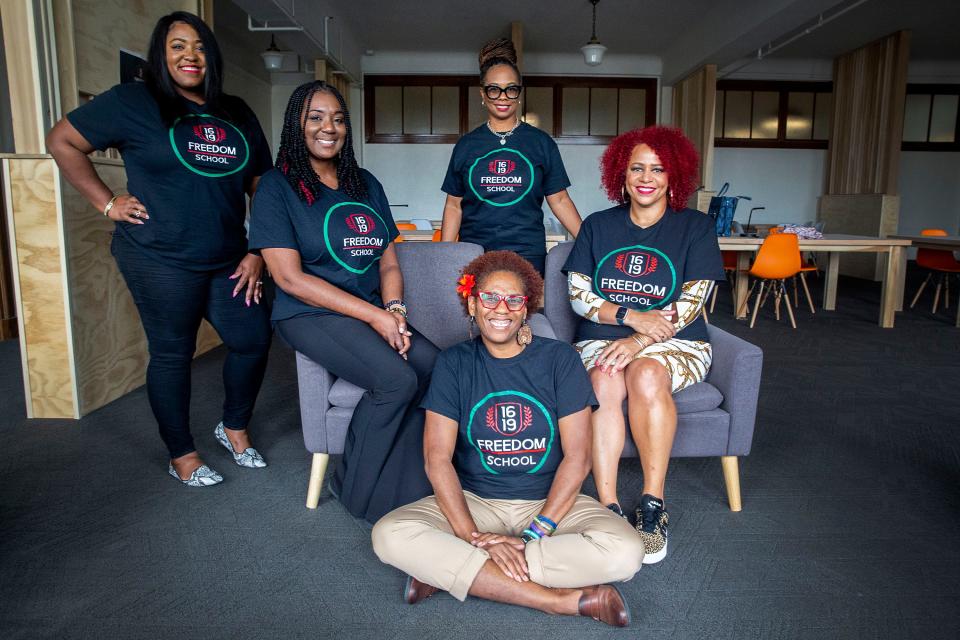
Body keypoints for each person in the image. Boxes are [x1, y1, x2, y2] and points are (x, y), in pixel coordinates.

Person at [46, 12, 273, 487]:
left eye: (199, 46)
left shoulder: (236, 111)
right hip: (158, 256)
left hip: (229, 257)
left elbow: (261, 185)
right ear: (161, 55)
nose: (190, 55)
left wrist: (257, 250)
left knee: (251, 339)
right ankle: (182, 455)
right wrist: (106, 202)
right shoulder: (134, 102)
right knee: (173, 354)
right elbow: (63, 140)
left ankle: (233, 426)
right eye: (177, 46)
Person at [372, 251, 643, 628]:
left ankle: (447, 571)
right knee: (388, 535)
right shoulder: (453, 364)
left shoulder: (560, 360)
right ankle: (558, 602)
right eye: (490, 298)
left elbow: (578, 457)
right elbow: (437, 458)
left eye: (514, 299)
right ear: (472, 303)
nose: (502, 308)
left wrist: (536, 531)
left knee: (627, 553)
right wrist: (473, 535)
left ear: (526, 308)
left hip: (550, 505)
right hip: (476, 502)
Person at [249, 81, 438, 524]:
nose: (328, 127)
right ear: (297, 124)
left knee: (437, 367)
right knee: (395, 380)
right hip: (309, 313)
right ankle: (353, 486)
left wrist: (394, 311)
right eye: (315, 117)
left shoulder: (364, 183)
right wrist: (376, 317)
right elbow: (288, 278)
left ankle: (408, 477)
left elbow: (389, 264)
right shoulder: (277, 188)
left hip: (369, 310)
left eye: (338, 118)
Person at [562, 126, 724, 564]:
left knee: (646, 372)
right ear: (622, 173)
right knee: (604, 378)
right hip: (602, 340)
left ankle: (653, 504)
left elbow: (691, 304)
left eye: (658, 168)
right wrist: (631, 318)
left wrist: (638, 341)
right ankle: (607, 505)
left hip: (678, 343)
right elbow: (579, 296)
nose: (646, 177)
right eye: (637, 167)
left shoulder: (695, 227)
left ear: (675, 176)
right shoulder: (598, 225)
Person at [439, 38, 582, 274]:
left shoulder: (541, 142)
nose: (503, 97)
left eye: (511, 89)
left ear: (519, 93)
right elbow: (454, 205)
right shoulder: (466, 145)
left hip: (527, 254)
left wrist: (592, 244)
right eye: (494, 89)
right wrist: (444, 255)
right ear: (482, 94)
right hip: (475, 253)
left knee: (524, 311)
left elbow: (560, 200)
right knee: (477, 311)